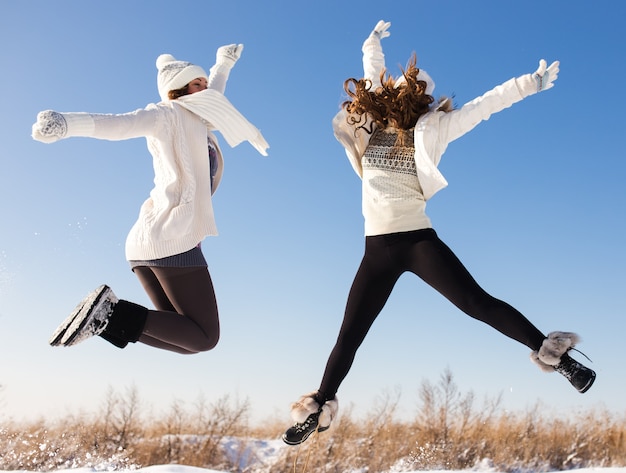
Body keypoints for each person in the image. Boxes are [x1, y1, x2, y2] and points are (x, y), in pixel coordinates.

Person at [282, 20, 595, 445]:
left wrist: (528, 84)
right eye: (412, 91)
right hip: (376, 250)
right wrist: (370, 45)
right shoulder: (371, 126)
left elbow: (484, 106)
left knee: (475, 302)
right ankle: (317, 408)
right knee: (350, 334)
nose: (417, 98)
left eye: (422, 94)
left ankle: (560, 360)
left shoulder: (433, 130)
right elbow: (371, 78)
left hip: (417, 241)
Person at [31, 44, 269, 354]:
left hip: (151, 243)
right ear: (177, 90)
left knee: (187, 344)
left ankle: (107, 320)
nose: (205, 89)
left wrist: (223, 65)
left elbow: (215, 95)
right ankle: (109, 313)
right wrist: (66, 124)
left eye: (205, 84)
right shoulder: (166, 114)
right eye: (197, 84)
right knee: (206, 337)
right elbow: (120, 124)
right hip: (171, 238)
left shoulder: (200, 122)